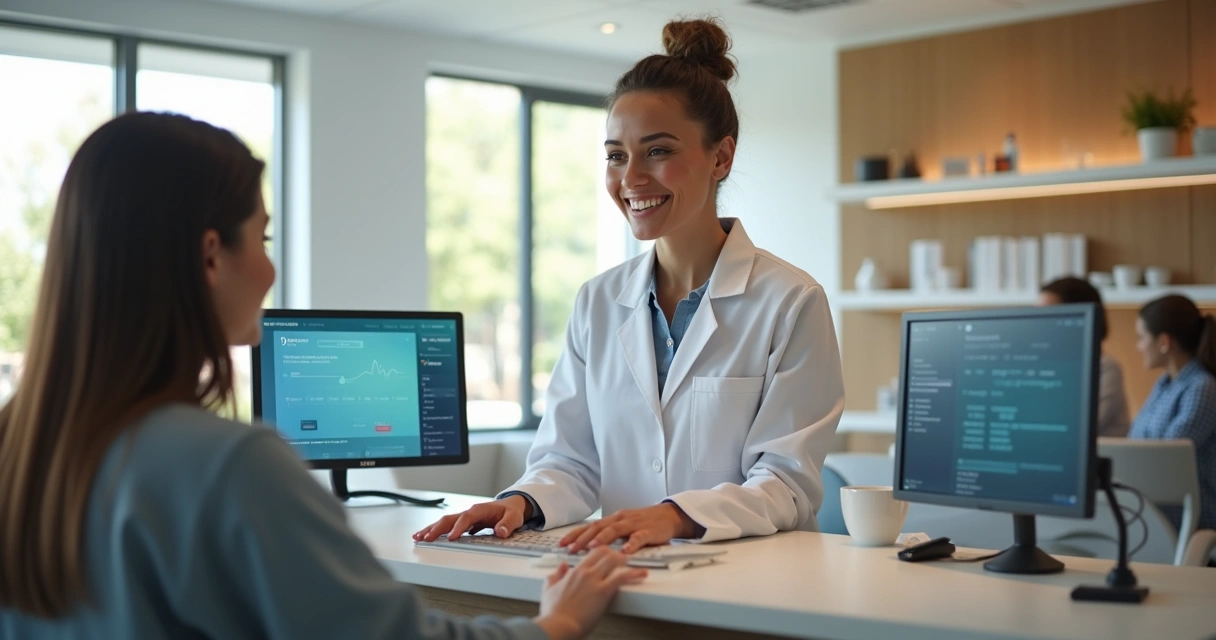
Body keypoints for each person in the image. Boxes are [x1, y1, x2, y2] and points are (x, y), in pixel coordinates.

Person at [0, 112, 645, 640]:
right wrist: (557, 623)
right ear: (209, 256)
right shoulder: (230, 466)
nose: (271, 271)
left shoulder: (19, 444)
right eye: (264, 240)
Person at [417, 17, 844, 553]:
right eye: (616, 155)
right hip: (629, 579)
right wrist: (520, 504)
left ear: (721, 157)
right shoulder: (598, 301)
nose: (631, 178)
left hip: (751, 588)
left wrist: (676, 517)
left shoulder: (790, 301)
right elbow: (569, 462)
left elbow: (787, 485)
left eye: (658, 151)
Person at [1128, 294, 1216, 531]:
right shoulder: (1164, 384)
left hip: (1191, 527)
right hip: (1155, 518)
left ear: (1164, 342)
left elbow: (1167, 461)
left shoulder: (1202, 388)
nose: (1138, 346)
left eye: (1141, 337)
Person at [1037, 277, 1131, 437]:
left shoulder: (1106, 368)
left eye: (1050, 315)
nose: (1040, 324)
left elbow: (1080, 428)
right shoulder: (1047, 368)